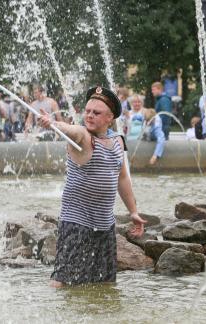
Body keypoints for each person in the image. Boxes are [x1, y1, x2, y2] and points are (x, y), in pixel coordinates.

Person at [37, 85, 146, 287]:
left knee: (104, 283)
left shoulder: (117, 141)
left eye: (96, 113)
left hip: (105, 224)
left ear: (109, 118)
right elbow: (71, 129)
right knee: (62, 279)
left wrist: (133, 212)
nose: (89, 116)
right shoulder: (83, 138)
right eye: (87, 111)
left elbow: (122, 178)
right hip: (76, 221)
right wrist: (53, 123)